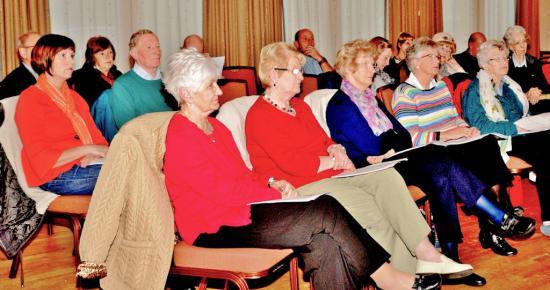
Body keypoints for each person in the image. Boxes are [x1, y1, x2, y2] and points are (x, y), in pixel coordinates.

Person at [162, 49, 442, 290]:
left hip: (242, 209)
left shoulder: (217, 128)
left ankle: (397, 276)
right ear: (186, 93)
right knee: (324, 209)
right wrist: (272, 193)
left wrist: (271, 182)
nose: (219, 90)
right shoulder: (180, 134)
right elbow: (221, 191)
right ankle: (389, 278)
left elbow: (244, 175)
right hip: (213, 226)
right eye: (211, 86)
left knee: (324, 242)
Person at [245, 42, 473, 276]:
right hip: (300, 185)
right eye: (295, 71)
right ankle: (407, 272)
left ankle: (428, 254)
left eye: (300, 71)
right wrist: (335, 161)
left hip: (331, 173)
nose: (301, 77)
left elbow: (325, 141)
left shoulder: (300, 106)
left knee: (387, 178)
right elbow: (294, 164)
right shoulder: (259, 115)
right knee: (364, 199)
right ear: (274, 74)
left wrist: (335, 150)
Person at [326, 39, 538, 285]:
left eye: (373, 63)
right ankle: (498, 218)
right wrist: (392, 143)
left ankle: (452, 258)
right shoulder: (341, 104)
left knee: (442, 173)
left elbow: (402, 135)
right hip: (373, 172)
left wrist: (393, 144)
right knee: (440, 161)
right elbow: (373, 148)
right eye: (367, 64)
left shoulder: (368, 99)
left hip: (395, 159)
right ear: (349, 68)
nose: (374, 69)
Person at [392, 37, 536, 254]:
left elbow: (453, 118)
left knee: (486, 143)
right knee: (455, 164)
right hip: (426, 152)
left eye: (437, 56)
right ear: (414, 63)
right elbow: (410, 137)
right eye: (429, 56)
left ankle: (496, 226)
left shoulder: (439, 86)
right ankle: (501, 220)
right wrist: (448, 134)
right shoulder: (404, 93)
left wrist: (466, 128)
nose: (436, 60)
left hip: (450, 143)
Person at [463, 40, 550, 237]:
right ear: (484, 64)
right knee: (545, 150)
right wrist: (514, 127)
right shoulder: (475, 90)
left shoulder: (510, 85)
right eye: (497, 59)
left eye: (505, 58)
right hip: (500, 141)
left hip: (523, 134)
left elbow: (523, 112)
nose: (504, 62)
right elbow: (479, 124)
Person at [14, 34, 108, 195]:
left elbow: (100, 141)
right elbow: (41, 158)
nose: (71, 61)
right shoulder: (30, 99)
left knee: (133, 167)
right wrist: (87, 149)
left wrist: (95, 153)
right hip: (55, 175)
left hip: (85, 166)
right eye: (63, 55)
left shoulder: (75, 98)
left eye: (71, 55)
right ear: (45, 58)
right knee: (125, 172)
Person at [110, 29, 172, 129]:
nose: (157, 51)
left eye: (158, 46)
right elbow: (128, 130)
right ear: (134, 53)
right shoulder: (123, 86)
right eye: (149, 47)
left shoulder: (170, 81)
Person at [503, 25, 550, 115]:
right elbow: (506, 96)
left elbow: (546, 88)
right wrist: (527, 94)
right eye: (517, 43)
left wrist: (537, 91)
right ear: (510, 46)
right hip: (518, 111)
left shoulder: (534, 63)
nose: (522, 46)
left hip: (539, 107)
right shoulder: (505, 67)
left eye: (524, 41)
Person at [69, 36, 122, 107]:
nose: (108, 57)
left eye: (110, 52)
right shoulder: (82, 77)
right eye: (102, 54)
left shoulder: (119, 75)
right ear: (92, 57)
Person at [0, 32, 41, 99]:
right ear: (23, 52)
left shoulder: (51, 76)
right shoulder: (12, 83)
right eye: (38, 46)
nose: (44, 51)